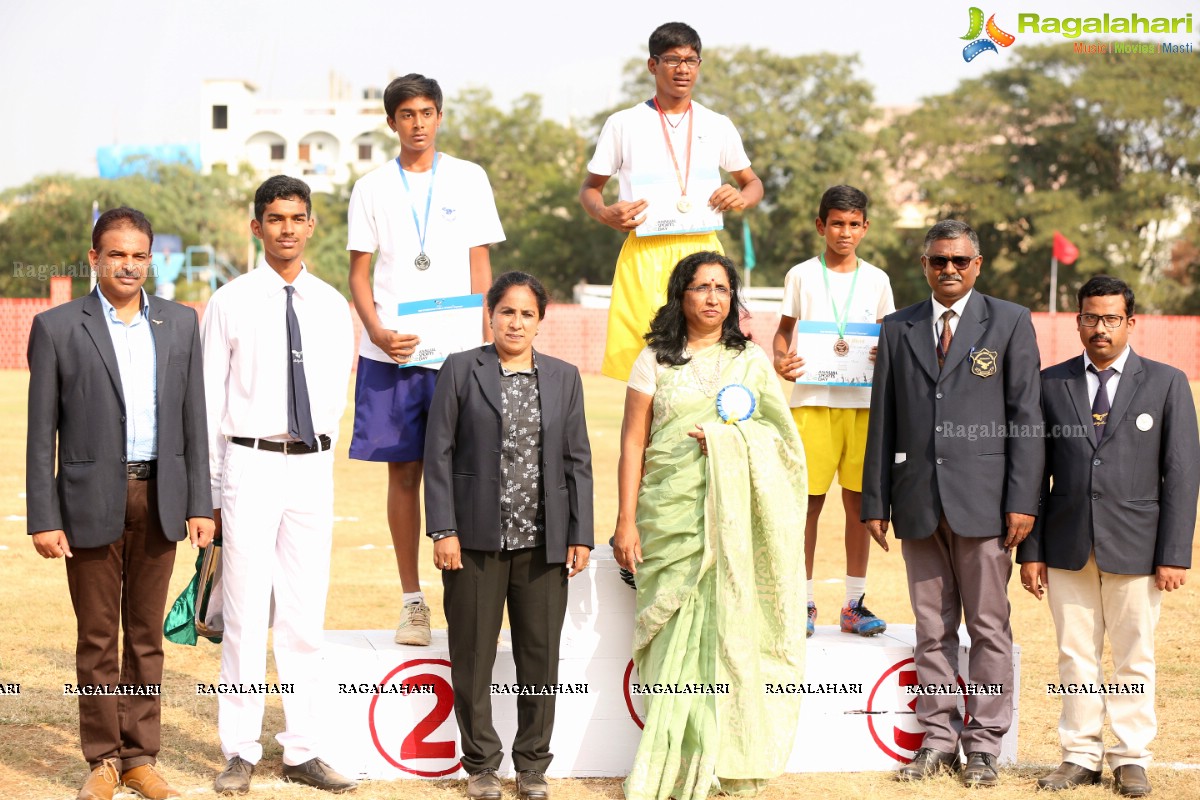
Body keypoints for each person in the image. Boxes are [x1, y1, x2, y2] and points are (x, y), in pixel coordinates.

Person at [26, 207, 214, 800]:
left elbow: (194, 421)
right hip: (87, 502)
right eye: (116, 254)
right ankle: (103, 759)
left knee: (145, 636)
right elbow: (40, 433)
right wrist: (44, 516)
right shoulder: (57, 327)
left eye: (138, 255)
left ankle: (140, 756)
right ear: (94, 259)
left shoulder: (181, 324)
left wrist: (200, 504)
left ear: (150, 259)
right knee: (98, 636)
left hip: (163, 497)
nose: (128, 265)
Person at [612, 252, 807, 800]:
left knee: (724, 638)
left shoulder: (749, 361)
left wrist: (728, 441)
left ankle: (719, 759)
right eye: (701, 287)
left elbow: (781, 442)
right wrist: (626, 520)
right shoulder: (654, 359)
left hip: (731, 526)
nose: (713, 297)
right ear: (682, 296)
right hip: (667, 513)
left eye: (722, 288)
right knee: (673, 638)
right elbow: (632, 442)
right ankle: (673, 764)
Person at [862, 219, 1044, 787]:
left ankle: (985, 743)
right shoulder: (898, 326)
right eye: (938, 260)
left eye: (959, 261)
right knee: (930, 628)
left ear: (977, 264)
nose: (948, 269)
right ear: (924, 265)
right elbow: (883, 418)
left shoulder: (1010, 322)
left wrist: (1022, 499)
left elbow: (1027, 418)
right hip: (918, 501)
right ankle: (938, 739)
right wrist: (875, 499)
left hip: (986, 503)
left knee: (989, 626)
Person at [1017, 276, 1200, 797]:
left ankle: (1130, 757)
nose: (1101, 328)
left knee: (1132, 656)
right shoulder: (1051, 384)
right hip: (1066, 544)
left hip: (1138, 546)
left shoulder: (1166, 383)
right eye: (1091, 318)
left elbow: (1182, 475)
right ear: (1077, 321)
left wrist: (1173, 553)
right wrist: (1031, 551)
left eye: (1111, 318)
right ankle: (1078, 754)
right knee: (1074, 654)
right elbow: (1034, 473)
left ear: (1130, 323)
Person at [203, 176, 356, 794]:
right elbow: (210, 400)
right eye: (275, 218)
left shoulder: (329, 303)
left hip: (310, 470)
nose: (286, 228)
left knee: (303, 615)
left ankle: (303, 750)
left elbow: (336, 397)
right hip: (250, 465)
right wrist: (212, 492)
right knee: (243, 614)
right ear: (256, 227)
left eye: (297, 217)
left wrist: (320, 456)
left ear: (311, 224)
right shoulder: (230, 302)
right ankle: (238, 750)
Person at [348, 73, 506, 646]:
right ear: (391, 122)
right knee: (405, 471)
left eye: (427, 112)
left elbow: (479, 264)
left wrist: (486, 340)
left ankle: (468, 598)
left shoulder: (469, 179)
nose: (418, 122)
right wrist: (377, 331)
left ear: (440, 117)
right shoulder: (370, 188)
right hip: (393, 353)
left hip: (459, 354)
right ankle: (411, 600)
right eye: (406, 114)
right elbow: (358, 275)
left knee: (468, 468)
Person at [423, 271, 594, 800]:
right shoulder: (459, 370)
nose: (516, 322)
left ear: (541, 321)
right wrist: (444, 529)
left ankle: (532, 765)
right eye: (507, 312)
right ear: (490, 316)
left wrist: (580, 534)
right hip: (473, 541)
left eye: (527, 314)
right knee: (471, 654)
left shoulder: (565, 377)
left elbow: (577, 461)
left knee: (539, 657)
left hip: (544, 543)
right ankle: (479, 764)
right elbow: (439, 453)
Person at [580, 21, 763, 382]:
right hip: (646, 251)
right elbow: (590, 188)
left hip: (703, 251)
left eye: (691, 60)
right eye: (673, 60)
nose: (683, 69)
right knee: (644, 367)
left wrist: (741, 196)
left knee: (707, 361)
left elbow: (753, 183)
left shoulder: (717, 124)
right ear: (652, 65)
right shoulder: (623, 124)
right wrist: (604, 213)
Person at [772, 185, 894, 638]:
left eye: (854, 224)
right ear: (821, 225)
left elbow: (888, 339)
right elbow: (783, 335)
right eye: (837, 223)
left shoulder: (878, 280)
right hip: (811, 404)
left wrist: (886, 353)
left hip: (863, 407)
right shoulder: (801, 275)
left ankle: (853, 604)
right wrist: (782, 361)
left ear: (866, 228)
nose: (845, 232)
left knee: (861, 506)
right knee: (806, 504)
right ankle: (801, 602)